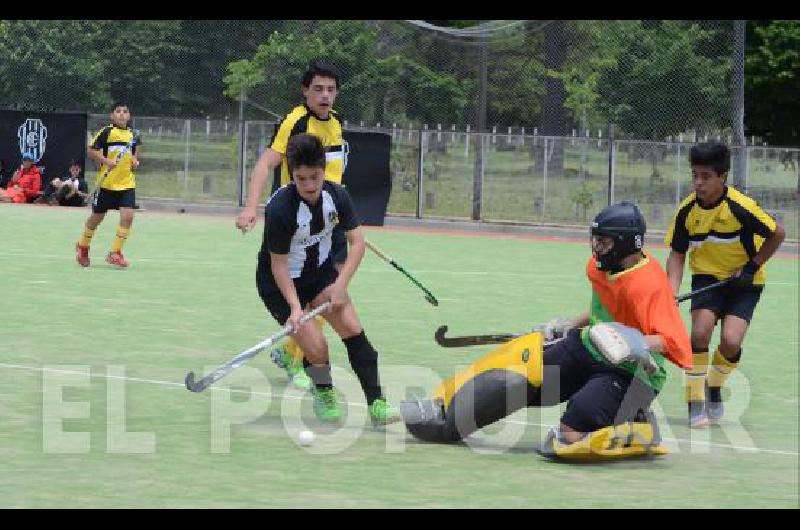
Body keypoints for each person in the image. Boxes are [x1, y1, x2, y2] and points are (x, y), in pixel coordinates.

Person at [401, 202, 692, 461]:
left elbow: (673, 342)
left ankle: (638, 425)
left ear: (626, 245)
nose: (596, 249)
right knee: (521, 374)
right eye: (596, 241)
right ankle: (447, 408)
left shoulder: (650, 284)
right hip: (588, 346)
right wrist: (567, 325)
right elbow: (602, 311)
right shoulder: (600, 268)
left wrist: (631, 342)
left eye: (603, 243)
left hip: (633, 373)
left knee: (569, 437)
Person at [257, 133, 399, 425]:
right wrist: (296, 309)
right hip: (279, 284)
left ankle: (377, 405)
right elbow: (279, 265)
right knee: (317, 348)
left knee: (354, 332)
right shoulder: (280, 209)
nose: (309, 186)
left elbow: (357, 243)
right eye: (301, 179)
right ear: (292, 175)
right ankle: (323, 390)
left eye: (315, 177)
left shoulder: (337, 196)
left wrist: (340, 285)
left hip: (319, 273)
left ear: (324, 170)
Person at [236, 61, 347, 391]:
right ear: (305, 91)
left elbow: (335, 176)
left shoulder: (337, 124)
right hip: (298, 228)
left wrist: (343, 214)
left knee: (329, 299)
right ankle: (295, 354)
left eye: (330, 89)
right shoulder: (296, 121)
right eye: (318, 89)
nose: (325, 96)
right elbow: (266, 163)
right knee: (309, 297)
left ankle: (290, 353)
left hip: (329, 223)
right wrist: (251, 208)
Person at [665, 141, 785, 428]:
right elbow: (677, 254)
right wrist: (670, 291)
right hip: (707, 278)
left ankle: (713, 386)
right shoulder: (686, 211)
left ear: (722, 176)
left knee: (731, 342)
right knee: (700, 333)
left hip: (745, 281)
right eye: (694, 175)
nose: (698, 182)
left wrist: (751, 267)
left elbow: (777, 234)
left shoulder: (741, 207)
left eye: (705, 176)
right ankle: (695, 402)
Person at [75, 102, 141, 268]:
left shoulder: (134, 135)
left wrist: (134, 160)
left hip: (127, 184)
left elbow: (134, 153)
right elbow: (91, 150)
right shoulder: (106, 132)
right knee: (96, 219)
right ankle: (83, 245)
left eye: (125, 111)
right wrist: (105, 160)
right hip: (106, 184)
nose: (121, 114)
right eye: (118, 111)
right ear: (112, 115)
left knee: (128, 216)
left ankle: (115, 252)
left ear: (129, 115)